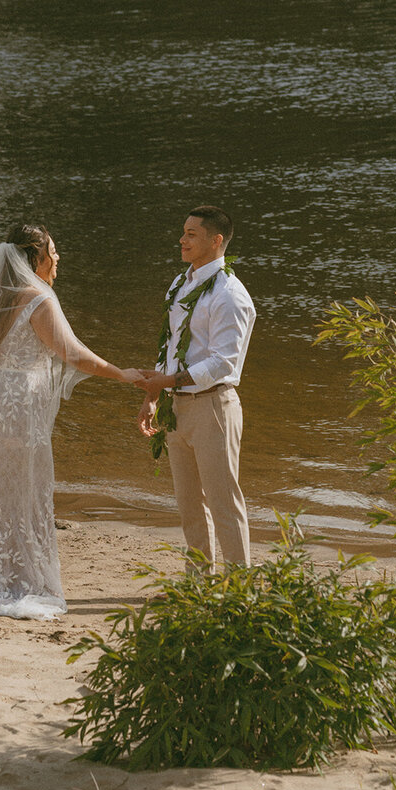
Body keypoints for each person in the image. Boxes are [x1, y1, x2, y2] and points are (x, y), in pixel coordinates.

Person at [0, 223, 144, 620]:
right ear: (36, 258)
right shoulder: (39, 299)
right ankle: (8, 583)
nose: (58, 257)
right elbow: (74, 355)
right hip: (16, 409)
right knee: (19, 493)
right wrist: (123, 374)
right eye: (53, 250)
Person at [137, 205, 255, 569]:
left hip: (213, 407)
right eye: (183, 232)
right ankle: (199, 582)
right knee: (189, 503)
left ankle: (239, 586)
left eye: (192, 234)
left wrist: (168, 381)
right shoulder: (180, 283)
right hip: (177, 407)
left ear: (216, 240)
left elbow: (223, 362)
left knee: (223, 502)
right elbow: (170, 345)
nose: (182, 239)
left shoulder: (229, 294)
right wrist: (153, 395)